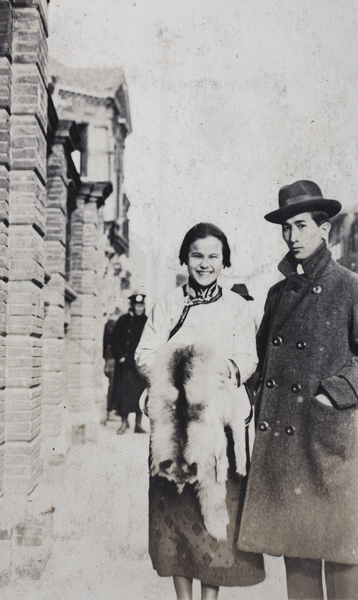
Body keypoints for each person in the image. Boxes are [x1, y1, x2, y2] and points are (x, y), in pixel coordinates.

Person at [238, 180, 358, 599]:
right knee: (300, 561)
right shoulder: (277, 293)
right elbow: (261, 361)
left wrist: (335, 393)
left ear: (324, 228)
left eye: (302, 226)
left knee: (343, 558)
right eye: (286, 228)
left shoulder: (350, 286)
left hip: (329, 442)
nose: (292, 237)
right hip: (288, 447)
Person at [135, 223, 265, 600]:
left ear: (224, 262)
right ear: (184, 258)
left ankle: (211, 597)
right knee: (176, 513)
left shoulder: (238, 308)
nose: (204, 264)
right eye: (197, 256)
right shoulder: (167, 304)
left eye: (213, 256)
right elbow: (144, 354)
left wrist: (221, 371)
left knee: (215, 513)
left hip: (217, 424)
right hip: (173, 424)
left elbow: (248, 358)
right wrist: (181, 367)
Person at [111, 293, 148, 435]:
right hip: (125, 366)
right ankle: (124, 423)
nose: (140, 308)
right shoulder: (122, 321)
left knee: (140, 394)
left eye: (141, 306)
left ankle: (138, 424)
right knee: (123, 394)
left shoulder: (146, 322)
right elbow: (114, 341)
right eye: (137, 306)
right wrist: (120, 356)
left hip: (139, 365)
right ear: (132, 306)